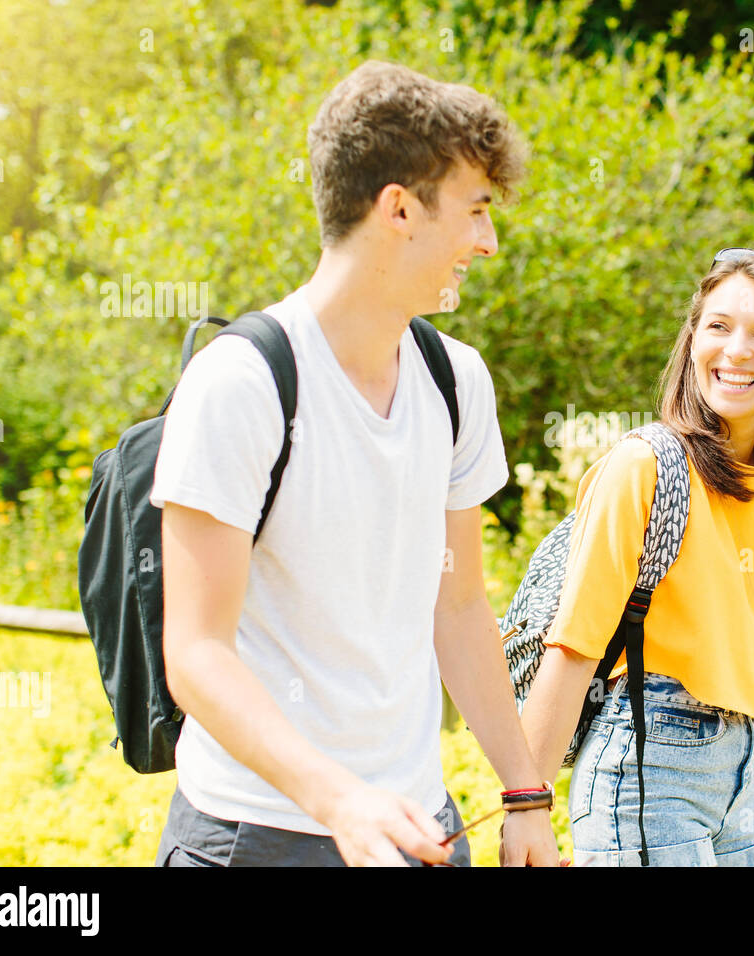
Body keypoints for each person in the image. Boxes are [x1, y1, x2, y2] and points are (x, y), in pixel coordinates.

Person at [150, 61, 559, 867]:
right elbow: (195, 653)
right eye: (476, 211)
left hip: (418, 827)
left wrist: (523, 791)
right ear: (398, 208)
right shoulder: (244, 382)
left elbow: (460, 606)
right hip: (256, 833)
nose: (488, 240)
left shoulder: (455, 381)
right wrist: (338, 799)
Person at [520, 249, 754, 866]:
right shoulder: (644, 466)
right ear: (693, 336)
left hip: (737, 782)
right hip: (646, 774)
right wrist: (525, 808)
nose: (737, 350)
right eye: (718, 326)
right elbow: (574, 645)